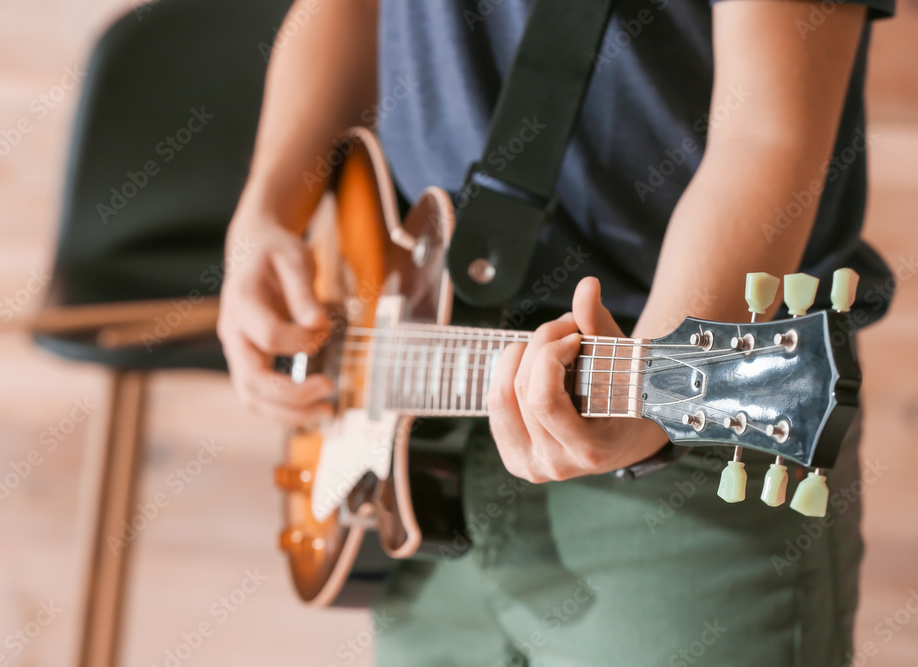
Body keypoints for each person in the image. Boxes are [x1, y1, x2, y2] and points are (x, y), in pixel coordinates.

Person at [217, 0, 894, 664]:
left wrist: (647, 395)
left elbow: (767, 132)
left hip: (683, 455)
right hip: (407, 448)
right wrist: (265, 207)